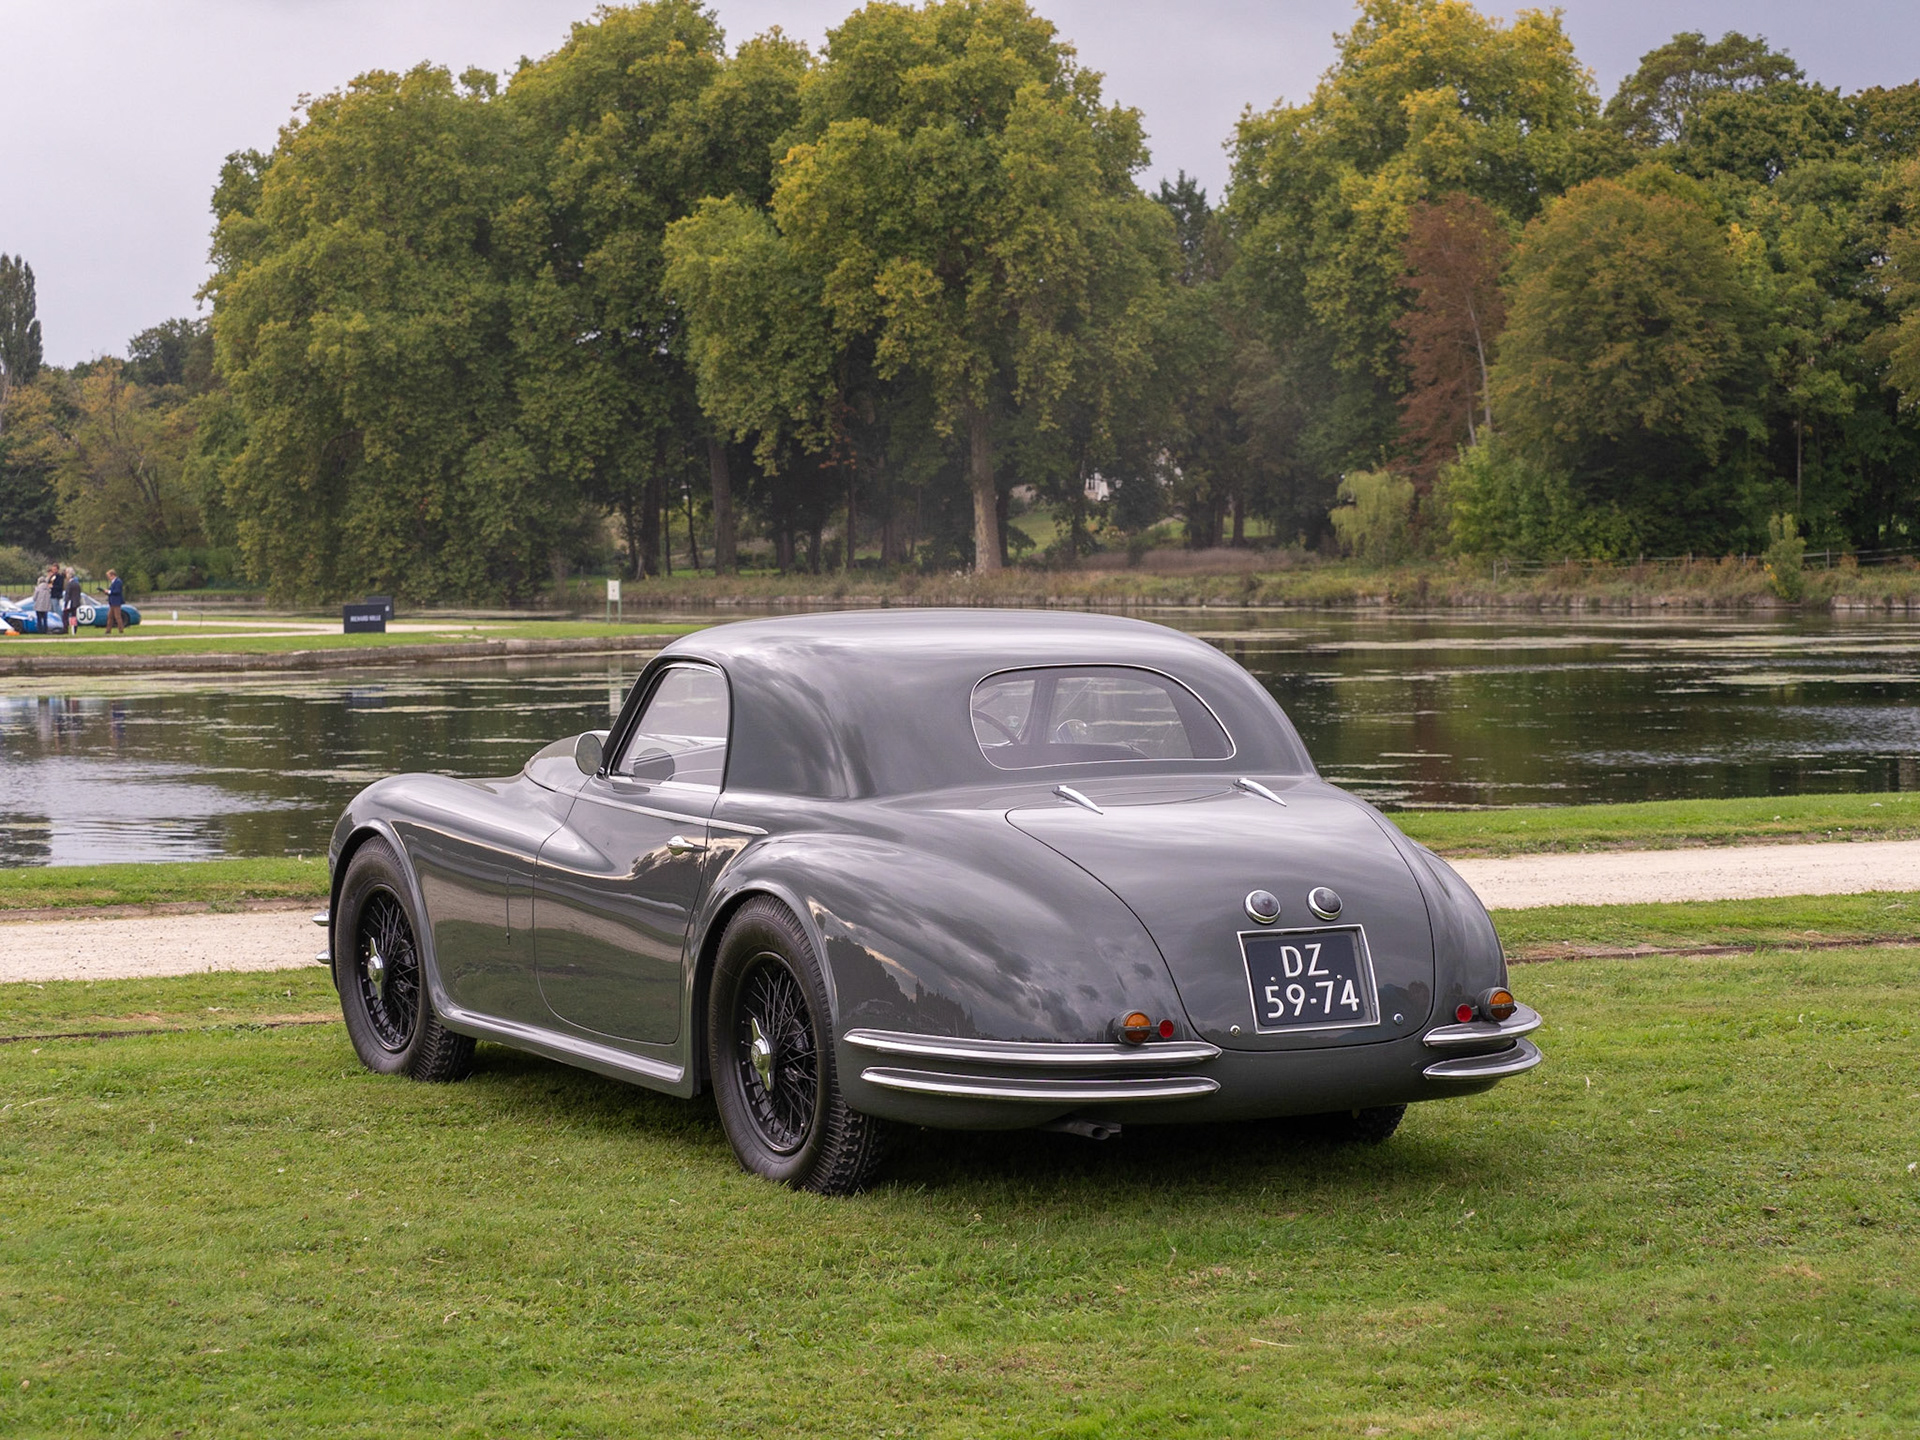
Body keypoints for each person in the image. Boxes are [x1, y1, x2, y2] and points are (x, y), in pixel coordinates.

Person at [31, 566, 53, 635]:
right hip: (46, 607)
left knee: (39, 619)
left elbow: (34, 598)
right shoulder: (48, 589)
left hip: (38, 606)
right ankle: (45, 630)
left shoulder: (37, 589)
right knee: (45, 619)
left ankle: (40, 631)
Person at [62, 568, 81, 637]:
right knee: (74, 616)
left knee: (65, 616)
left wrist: (65, 605)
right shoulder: (77, 584)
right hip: (76, 603)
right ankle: (74, 629)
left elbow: (67, 595)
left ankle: (65, 629)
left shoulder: (69, 584)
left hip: (70, 603)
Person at [105, 569, 126, 635]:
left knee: (117, 616)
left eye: (109, 576)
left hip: (116, 602)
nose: (108, 578)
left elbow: (117, 591)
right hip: (112, 602)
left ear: (113, 575)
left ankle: (121, 630)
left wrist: (109, 592)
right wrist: (107, 592)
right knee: (110, 617)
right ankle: (108, 631)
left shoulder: (118, 582)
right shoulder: (113, 582)